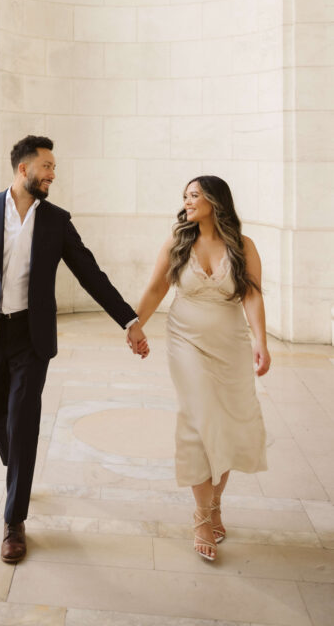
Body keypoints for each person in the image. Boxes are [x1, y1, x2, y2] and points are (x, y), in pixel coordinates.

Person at [0, 135, 149, 564]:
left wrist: (129, 321)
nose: (54, 174)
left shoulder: (56, 220)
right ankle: (17, 463)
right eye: (48, 167)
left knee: (24, 416)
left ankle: (13, 521)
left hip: (32, 338)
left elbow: (90, 272)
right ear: (24, 170)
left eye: (54, 167)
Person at [136, 175, 270, 562]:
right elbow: (155, 289)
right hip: (186, 342)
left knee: (226, 425)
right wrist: (135, 324)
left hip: (232, 346)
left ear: (214, 200)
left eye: (194, 195)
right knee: (199, 419)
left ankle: (213, 508)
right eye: (185, 196)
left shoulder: (243, 246)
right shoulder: (178, 243)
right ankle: (200, 517)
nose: (187, 201)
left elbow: (252, 295)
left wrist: (261, 342)